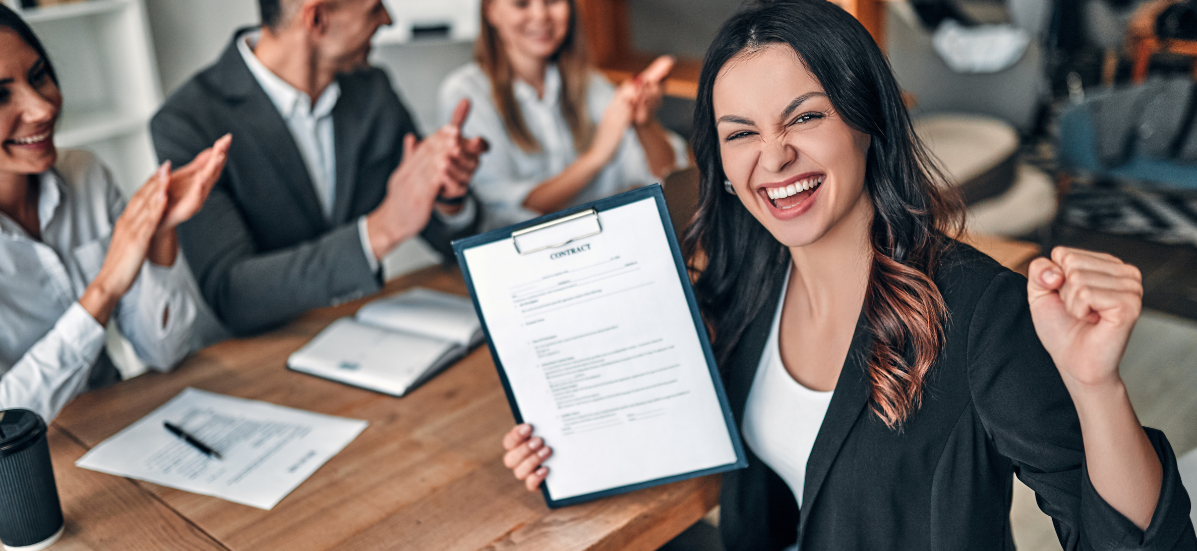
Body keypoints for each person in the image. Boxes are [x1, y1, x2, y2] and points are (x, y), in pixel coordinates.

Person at [501, 1, 1197, 551]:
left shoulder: (980, 313)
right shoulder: (751, 277)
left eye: (804, 116)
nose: (773, 157)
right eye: (740, 133)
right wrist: (563, 439)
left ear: (867, 121)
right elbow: (672, 400)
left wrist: (1096, 387)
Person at [151, 0, 488, 336]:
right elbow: (232, 294)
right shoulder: (188, 123)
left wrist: (447, 195)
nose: (387, 19)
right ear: (317, 19)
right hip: (259, 359)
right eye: (373, 8)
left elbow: (448, 239)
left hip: (371, 334)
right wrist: (379, 231)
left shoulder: (372, 89)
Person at [0, 6, 229, 422]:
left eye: (38, 77)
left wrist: (160, 231)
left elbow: (165, 353)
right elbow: (6, 419)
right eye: (0, 95)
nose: (42, 108)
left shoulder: (85, 174)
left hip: (120, 424)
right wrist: (104, 290)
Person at [438, 0, 689, 230]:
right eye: (521, 4)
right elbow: (508, 210)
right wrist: (597, 155)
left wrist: (644, 124)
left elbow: (668, 174)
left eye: (552, 1)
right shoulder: (466, 93)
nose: (540, 15)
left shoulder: (592, 84)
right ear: (491, 11)